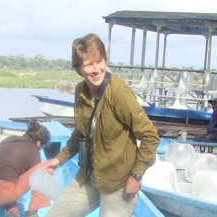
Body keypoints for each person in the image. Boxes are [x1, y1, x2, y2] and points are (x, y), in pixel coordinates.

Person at [43, 33, 160, 217]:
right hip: (89, 177)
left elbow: (150, 137)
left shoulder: (118, 92)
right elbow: (80, 134)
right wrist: (58, 160)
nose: (96, 69)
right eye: (89, 64)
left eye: (100, 61)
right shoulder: (80, 91)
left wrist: (135, 177)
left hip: (119, 183)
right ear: (78, 69)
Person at [0, 120, 51, 217]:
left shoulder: (9, 139)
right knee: (44, 168)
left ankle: (11, 208)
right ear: (39, 143)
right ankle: (32, 213)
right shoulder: (34, 152)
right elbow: (37, 182)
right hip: (2, 195)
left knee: (11, 174)